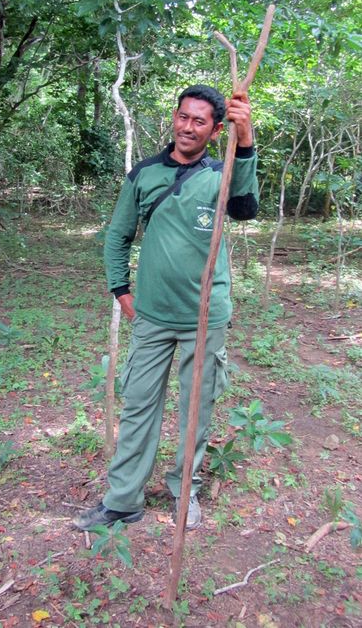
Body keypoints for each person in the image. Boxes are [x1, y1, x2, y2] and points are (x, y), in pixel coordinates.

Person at [73, 84, 259, 531]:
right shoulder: (145, 174)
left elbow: (246, 209)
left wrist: (246, 138)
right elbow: (117, 235)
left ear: (216, 131)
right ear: (173, 119)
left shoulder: (222, 171)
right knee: (138, 405)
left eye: (199, 121)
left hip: (204, 316)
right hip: (152, 317)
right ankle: (122, 500)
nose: (187, 127)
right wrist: (121, 291)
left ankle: (184, 493)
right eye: (183, 117)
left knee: (196, 409)